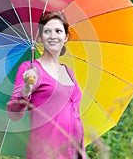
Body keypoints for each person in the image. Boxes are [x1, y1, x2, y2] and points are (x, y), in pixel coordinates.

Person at [7, 10, 86, 159]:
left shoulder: (68, 71)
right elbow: (14, 113)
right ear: (40, 38)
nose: (53, 36)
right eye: (47, 31)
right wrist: (26, 89)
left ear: (66, 37)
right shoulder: (30, 69)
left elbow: (75, 115)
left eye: (58, 31)